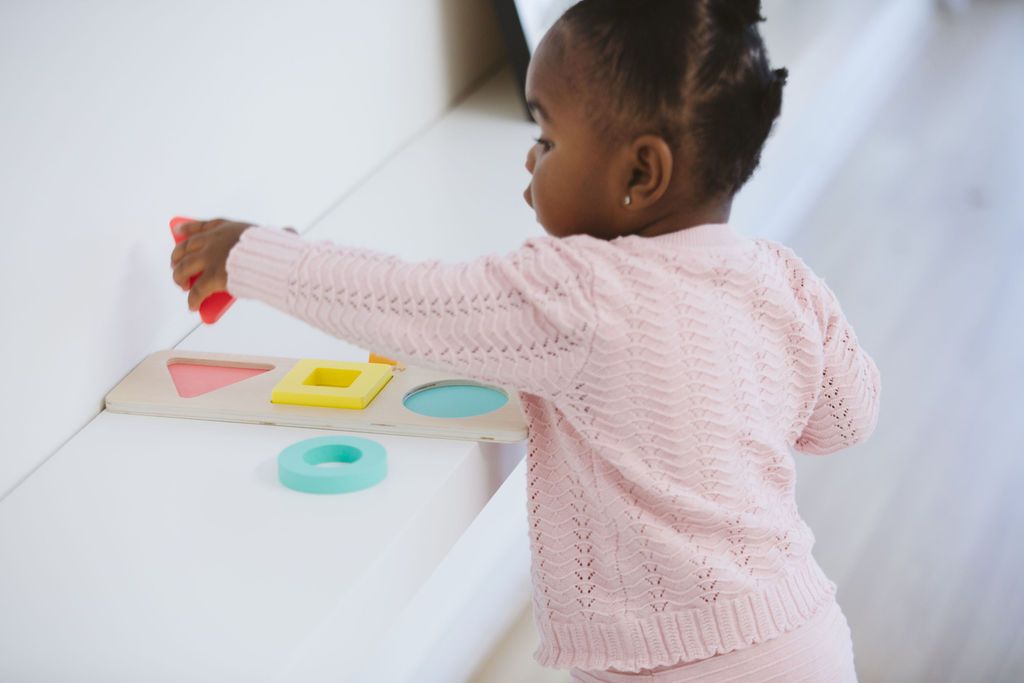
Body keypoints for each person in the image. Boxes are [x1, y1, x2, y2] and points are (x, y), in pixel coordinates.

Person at [170, 1, 880, 680]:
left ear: (641, 172)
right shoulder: (779, 275)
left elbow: (402, 301)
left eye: (545, 139)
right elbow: (848, 418)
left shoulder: (581, 289)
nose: (529, 162)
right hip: (801, 632)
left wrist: (250, 252)